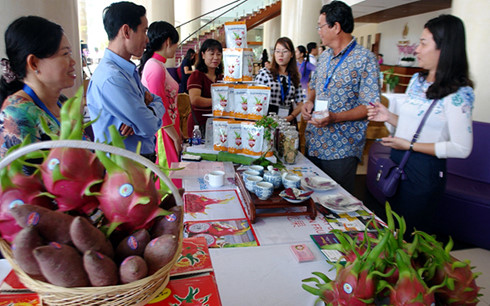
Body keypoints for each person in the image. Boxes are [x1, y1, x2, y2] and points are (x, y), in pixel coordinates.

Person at [367, 14, 474, 237]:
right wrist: (389, 117)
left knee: (411, 238)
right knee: (391, 232)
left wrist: (410, 146)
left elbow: (461, 148)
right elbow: (412, 128)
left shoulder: (458, 94)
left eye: (424, 42)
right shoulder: (416, 81)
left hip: (424, 172)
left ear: (444, 48)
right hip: (399, 164)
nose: (416, 49)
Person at [301, 1, 380, 193]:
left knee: (335, 202)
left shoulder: (365, 59)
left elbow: (370, 106)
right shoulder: (325, 57)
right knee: (312, 199)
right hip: (315, 142)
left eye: (320, 26)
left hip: (341, 149)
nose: (318, 31)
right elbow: (314, 86)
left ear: (336, 27)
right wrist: (309, 101)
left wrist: (335, 117)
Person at [87, 1, 165, 162]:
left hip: (136, 163)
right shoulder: (113, 78)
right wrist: (143, 116)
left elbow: (158, 101)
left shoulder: (126, 71)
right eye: (144, 31)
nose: (147, 40)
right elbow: (149, 126)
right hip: (123, 170)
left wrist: (142, 114)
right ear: (127, 31)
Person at [0, 16, 76, 158]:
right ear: (34, 63)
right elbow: (26, 177)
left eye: (70, 53)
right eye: (65, 54)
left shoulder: (63, 103)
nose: (73, 62)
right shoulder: (17, 114)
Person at [139, 21, 183, 188]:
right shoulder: (155, 68)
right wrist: (175, 137)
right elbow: (161, 109)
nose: (177, 47)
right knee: (169, 182)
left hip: (168, 131)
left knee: (171, 178)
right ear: (167, 41)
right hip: (164, 133)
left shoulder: (156, 65)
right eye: (176, 43)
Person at [255, 37, 305, 124]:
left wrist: (291, 117)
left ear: (292, 54)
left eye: (285, 51)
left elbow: (300, 103)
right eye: (277, 51)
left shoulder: (294, 76)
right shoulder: (265, 73)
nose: (280, 55)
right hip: (268, 119)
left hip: (287, 121)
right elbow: (255, 99)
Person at [186, 38, 223, 138]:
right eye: (211, 54)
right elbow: (195, 99)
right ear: (203, 55)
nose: (215, 57)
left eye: (218, 54)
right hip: (199, 127)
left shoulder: (221, 77)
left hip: (217, 126)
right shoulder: (197, 76)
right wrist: (219, 101)